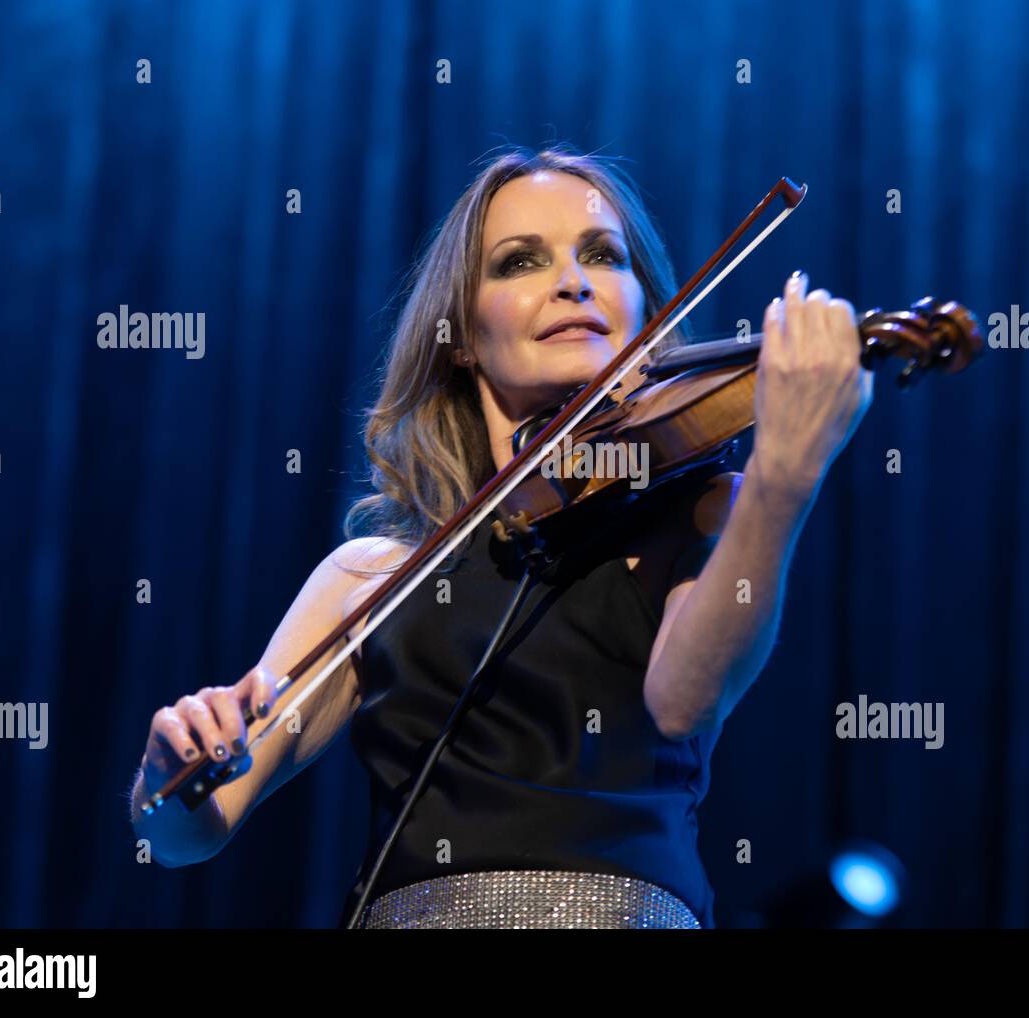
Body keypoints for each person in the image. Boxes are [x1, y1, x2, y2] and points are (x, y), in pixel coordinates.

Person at [128, 145, 873, 928]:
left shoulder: (703, 512)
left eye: (602, 255)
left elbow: (685, 698)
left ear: (647, 315)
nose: (573, 281)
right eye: (521, 262)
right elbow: (182, 838)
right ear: (460, 336)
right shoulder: (374, 577)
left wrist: (785, 476)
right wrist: (167, 778)